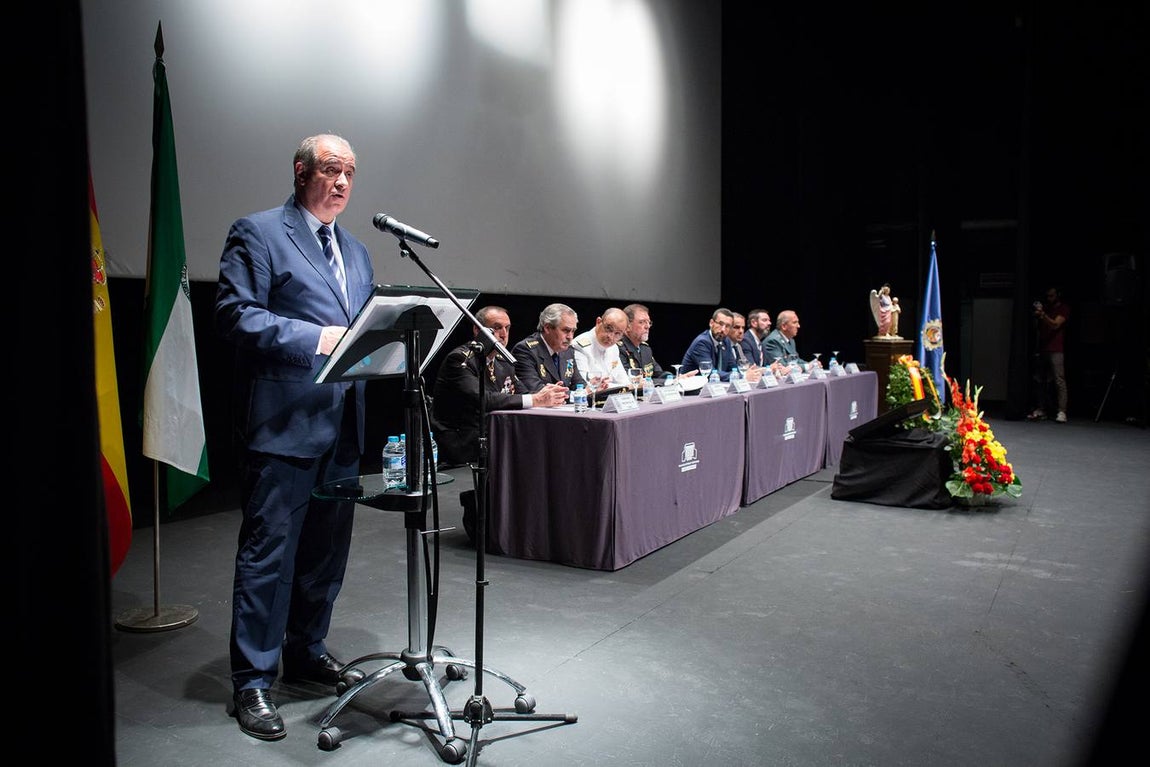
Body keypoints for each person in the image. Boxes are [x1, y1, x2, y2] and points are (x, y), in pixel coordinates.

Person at [215, 134, 372, 740]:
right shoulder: (257, 232)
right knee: (269, 556)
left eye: (350, 173)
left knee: (325, 557)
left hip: (344, 426)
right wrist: (316, 338)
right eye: (331, 170)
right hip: (285, 424)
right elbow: (234, 312)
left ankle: (306, 650)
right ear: (302, 171)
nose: (341, 183)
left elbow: (363, 329)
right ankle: (252, 681)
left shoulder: (357, 251)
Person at [431, 305, 567, 541]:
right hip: (462, 436)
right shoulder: (460, 360)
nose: (503, 334)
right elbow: (483, 399)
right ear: (477, 329)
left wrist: (546, 394)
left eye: (507, 328)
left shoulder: (503, 361)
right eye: (496, 328)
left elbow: (520, 392)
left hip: (493, 430)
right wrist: (533, 399)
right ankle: (494, 514)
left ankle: (529, 517)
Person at [512, 303, 587, 393]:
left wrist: (595, 390)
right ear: (547, 328)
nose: (570, 337)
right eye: (566, 330)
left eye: (573, 331)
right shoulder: (525, 350)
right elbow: (537, 391)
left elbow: (579, 384)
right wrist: (580, 394)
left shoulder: (568, 351)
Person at [1027, 286, 1070, 423]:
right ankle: (1041, 408)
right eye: (1047, 296)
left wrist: (1043, 315)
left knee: (1059, 379)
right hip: (1043, 348)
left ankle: (1062, 411)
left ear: (1058, 295)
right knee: (1040, 379)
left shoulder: (1063, 308)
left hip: (1056, 348)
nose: (1049, 299)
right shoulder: (1046, 308)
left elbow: (1056, 325)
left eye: (1052, 296)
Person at [572, 307, 631, 389]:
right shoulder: (580, 346)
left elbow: (625, 382)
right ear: (598, 322)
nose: (611, 336)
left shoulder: (613, 348)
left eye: (617, 333)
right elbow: (584, 386)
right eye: (608, 329)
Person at [680, 308, 739, 381]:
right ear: (711, 323)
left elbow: (733, 367)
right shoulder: (702, 342)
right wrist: (741, 376)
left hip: (715, 387)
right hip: (693, 389)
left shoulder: (726, 341)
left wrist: (741, 374)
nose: (723, 329)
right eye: (720, 324)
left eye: (727, 326)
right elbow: (710, 373)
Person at [618, 303, 670, 381]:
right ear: (627, 326)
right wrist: (665, 382)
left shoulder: (645, 348)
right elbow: (631, 381)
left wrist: (675, 378)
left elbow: (658, 374)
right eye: (642, 322)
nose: (647, 326)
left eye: (649, 322)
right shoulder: (618, 349)